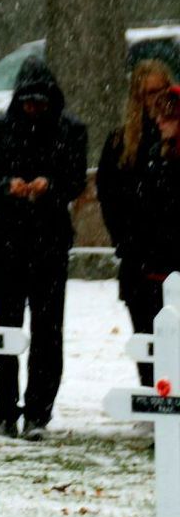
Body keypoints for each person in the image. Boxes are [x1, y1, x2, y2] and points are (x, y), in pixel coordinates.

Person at [0, 57, 87, 440]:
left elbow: (74, 178)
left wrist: (49, 186)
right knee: (4, 326)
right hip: (7, 240)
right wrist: (9, 185)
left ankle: (39, 411)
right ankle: (5, 409)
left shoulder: (70, 130)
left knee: (47, 330)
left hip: (50, 240)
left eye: (39, 102)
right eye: (27, 102)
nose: (33, 109)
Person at [99, 62, 180, 387]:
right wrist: (126, 240)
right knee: (146, 335)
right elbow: (109, 195)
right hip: (138, 253)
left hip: (171, 253)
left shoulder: (172, 141)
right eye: (149, 93)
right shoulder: (122, 142)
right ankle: (152, 395)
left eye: (161, 91)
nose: (155, 100)